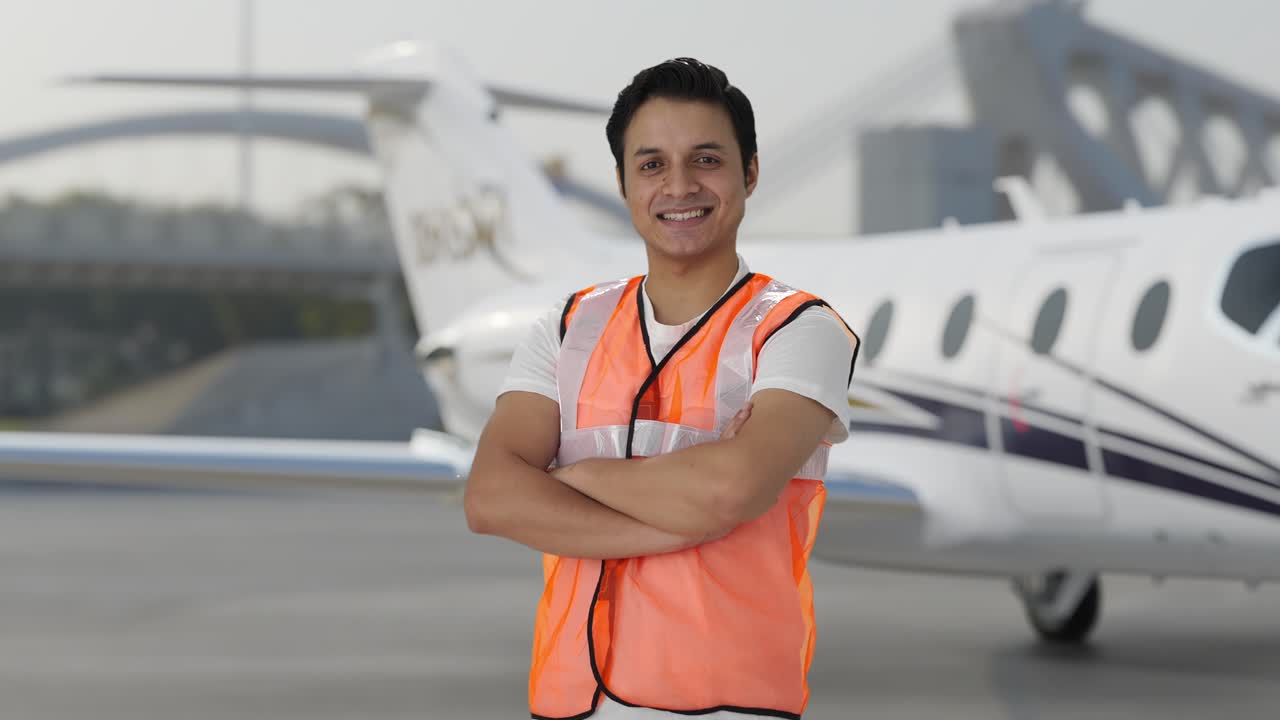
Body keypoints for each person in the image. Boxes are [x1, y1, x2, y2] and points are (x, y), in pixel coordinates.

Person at [464, 57, 859, 720]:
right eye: (652, 165)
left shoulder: (799, 329)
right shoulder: (567, 327)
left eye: (706, 160)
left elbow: (730, 491)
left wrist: (567, 476)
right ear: (622, 183)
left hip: (728, 705)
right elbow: (489, 498)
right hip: (571, 702)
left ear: (749, 173)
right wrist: (686, 518)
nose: (679, 186)